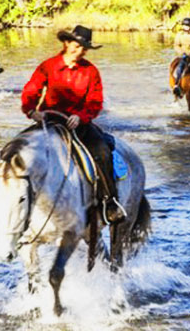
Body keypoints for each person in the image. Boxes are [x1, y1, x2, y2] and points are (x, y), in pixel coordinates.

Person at [19, 25, 125, 225]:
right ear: (67, 44)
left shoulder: (90, 71)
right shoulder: (48, 66)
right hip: (49, 122)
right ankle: (16, 202)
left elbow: (95, 102)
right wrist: (32, 111)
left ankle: (109, 203)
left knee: (102, 152)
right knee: (17, 148)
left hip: (79, 125)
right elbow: (31, 90)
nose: (81, 51)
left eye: (84, 48)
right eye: (77, 46)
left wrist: (81, 116)